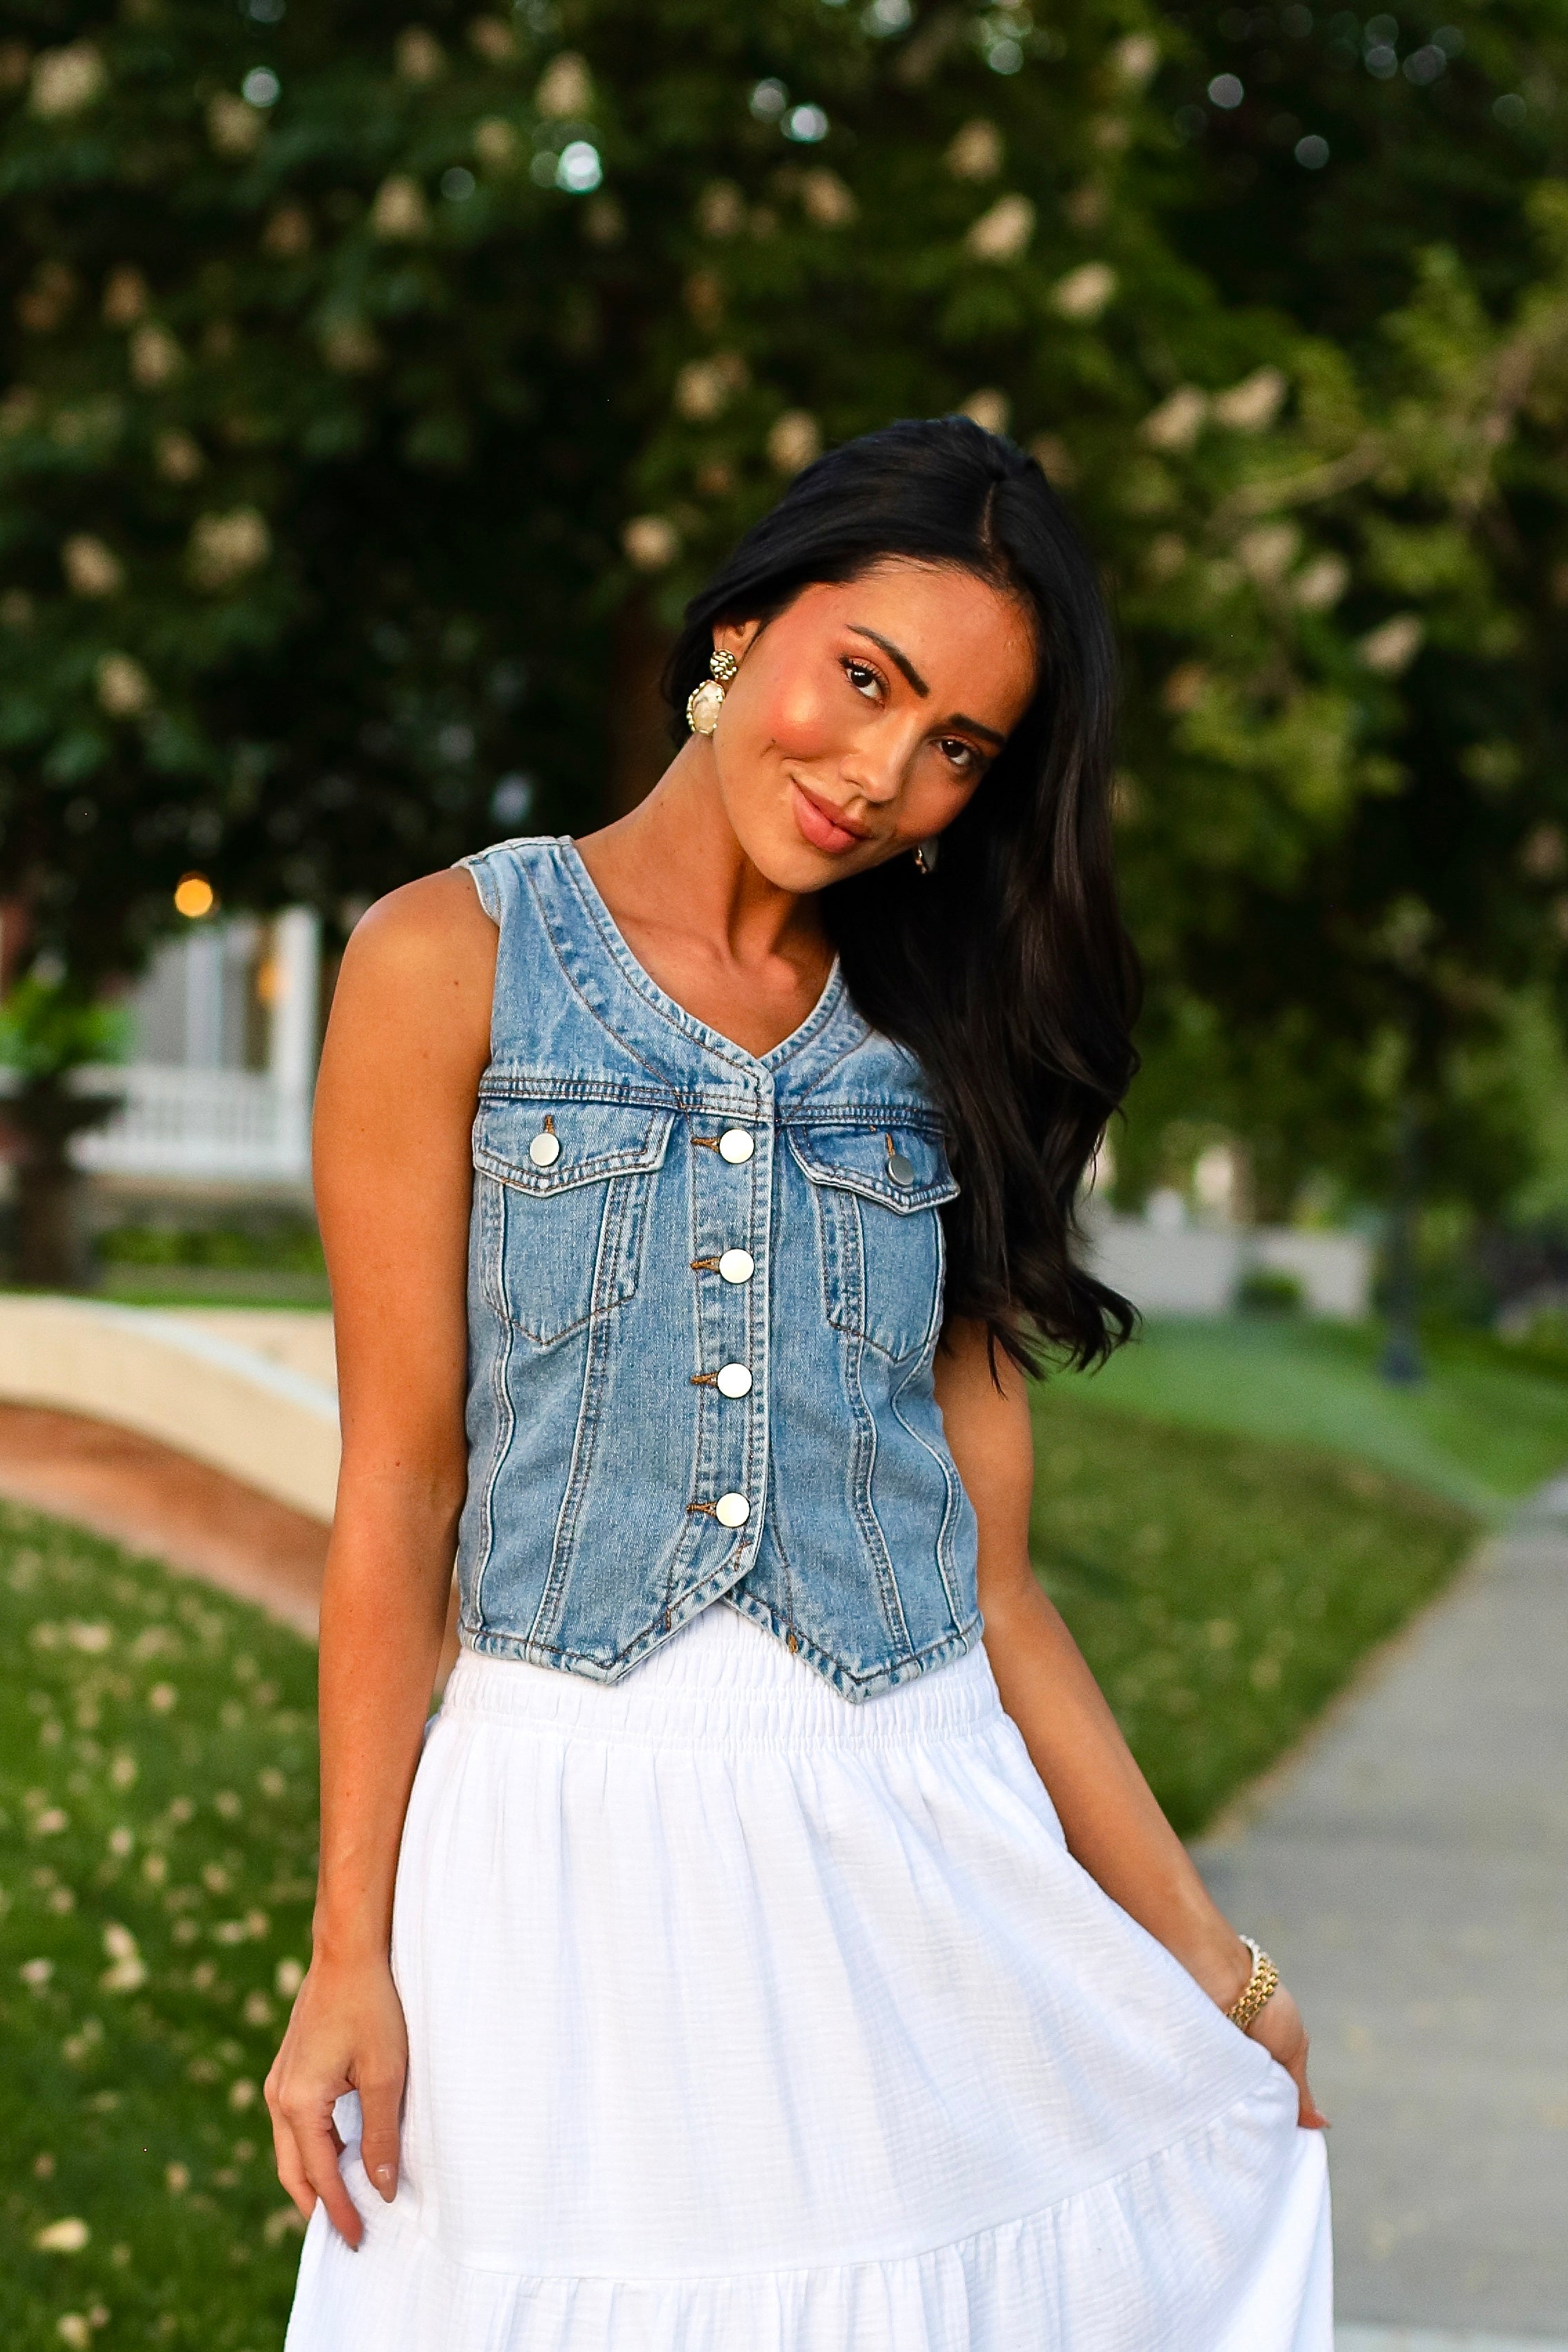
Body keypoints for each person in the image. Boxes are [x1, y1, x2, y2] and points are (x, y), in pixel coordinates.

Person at [269, 416, 1331, 2351]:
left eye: (956, 754)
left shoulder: (943, 1038)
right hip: (554, 1849)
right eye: (867, 683)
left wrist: (1215, 1967)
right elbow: (399, 1490)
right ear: (745, 629)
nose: (879, 780)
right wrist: (351, 1950)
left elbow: (996, 1590)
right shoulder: (448, 960)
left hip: (907, 1831)